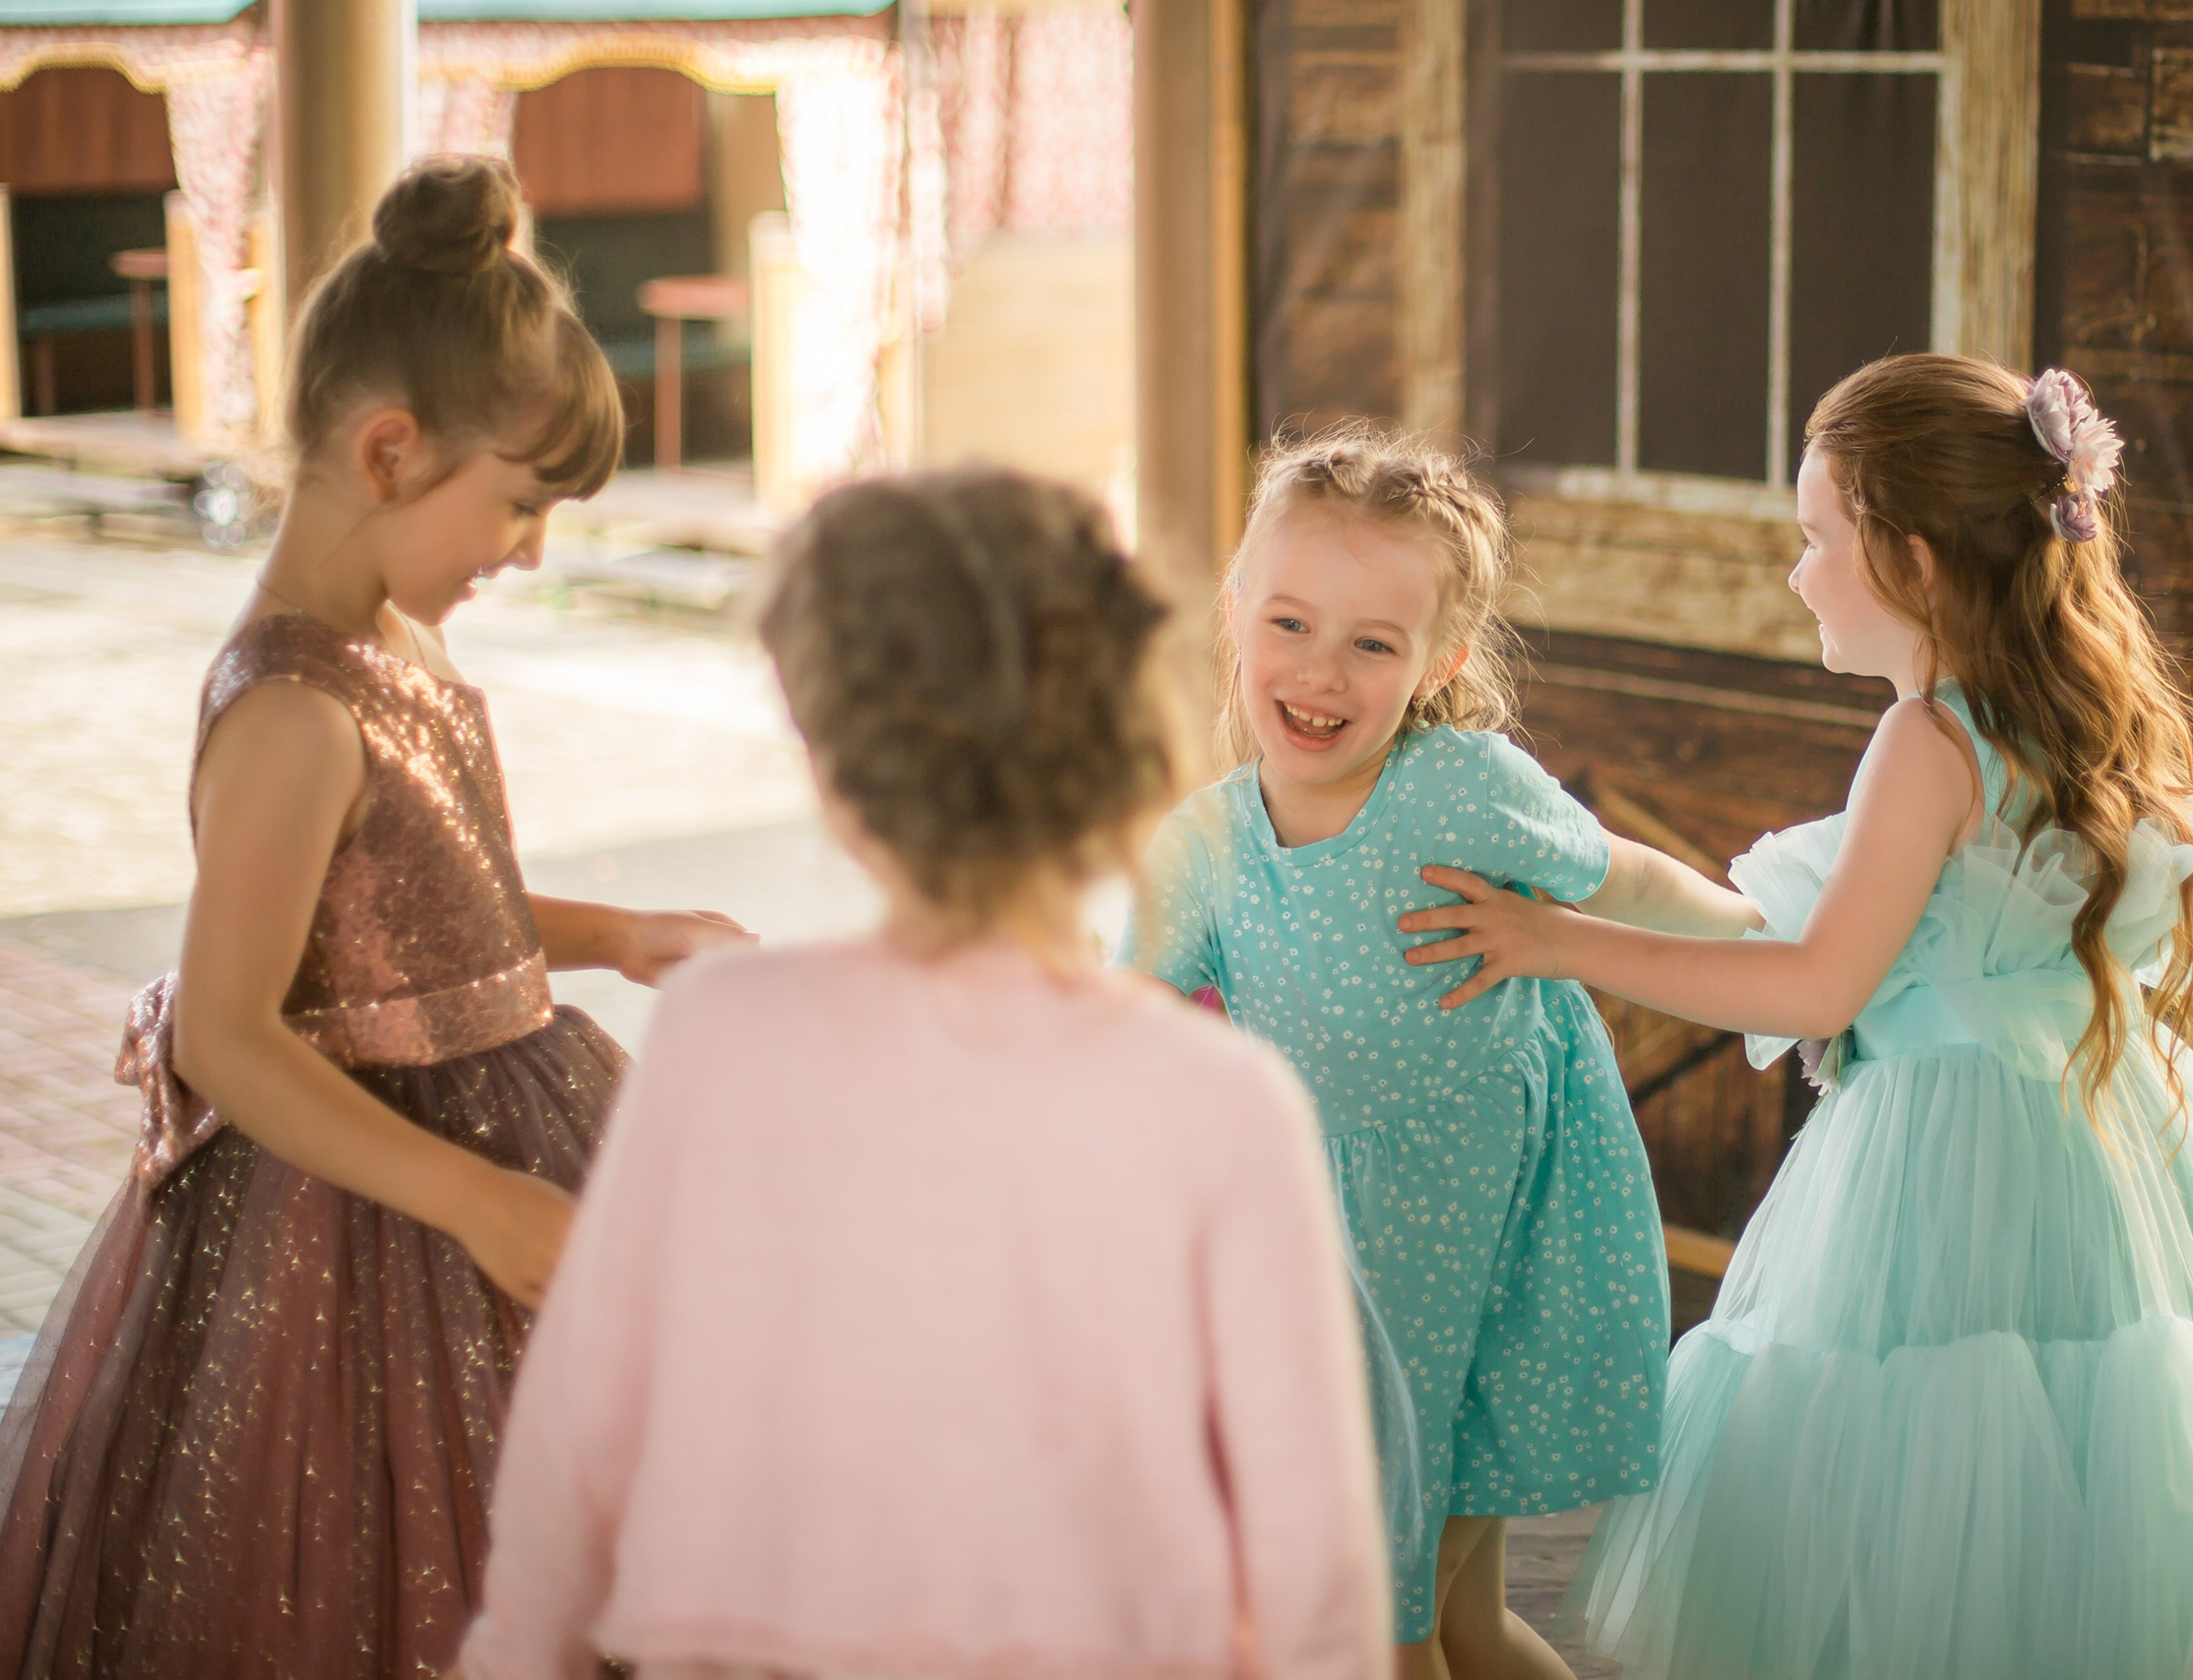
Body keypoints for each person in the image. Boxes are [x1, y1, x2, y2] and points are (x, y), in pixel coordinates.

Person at [1398, 354, 2193, 1679]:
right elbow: (1858, 934)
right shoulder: (2056, 721)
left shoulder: (1927, 743)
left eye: (1817, 540)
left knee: (1929, 1505)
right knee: (2083, 1507)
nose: (1797, 572)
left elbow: (1817, 985)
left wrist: (1556, 940)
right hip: (2098, 1146)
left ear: (1913, 563)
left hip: (1945, 1166)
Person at [0, 155, 750, 1678]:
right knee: (389, 1550)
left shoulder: (392, 633)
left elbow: (425, 905)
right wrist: (477, 1201)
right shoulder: (286, 707)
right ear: (394, 448)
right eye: (522, 503)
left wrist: (619, 933)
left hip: (504, 1132)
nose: (531, 549)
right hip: (358, 1226)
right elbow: (228, 1028)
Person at [456, 468, 1390, 1680]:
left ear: (841, 778)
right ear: (1120, 742)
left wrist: (517, 1662)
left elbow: (585, 1424)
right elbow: (1312, 1554)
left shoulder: (724, 1035)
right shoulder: (1222, 1105)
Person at [1123, 424, 1752, 1680]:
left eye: (1372, 642)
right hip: (1336, 1277)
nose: (1320, 671)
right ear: (1234, 614)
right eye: (1289, 624)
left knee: (1396, 1622)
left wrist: (1762, 936)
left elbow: (1621, 874)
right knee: (1433, 1613)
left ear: (1438, 662)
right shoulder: (1197, 848)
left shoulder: (1463, 789)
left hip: (1501, 1242)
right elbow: (1114, 1026)